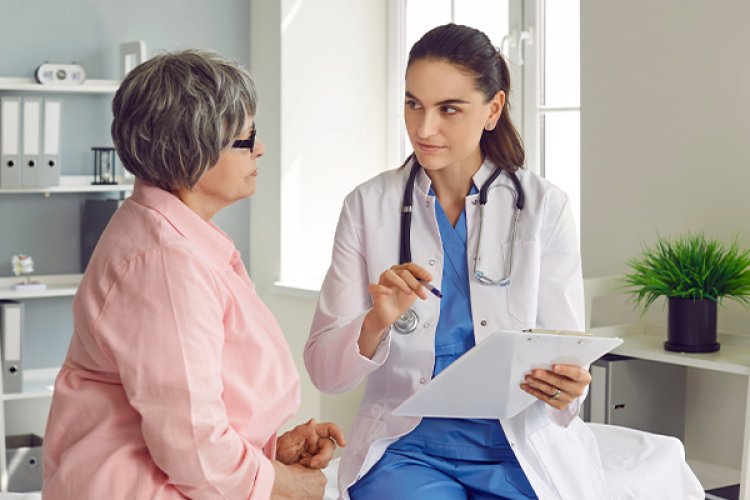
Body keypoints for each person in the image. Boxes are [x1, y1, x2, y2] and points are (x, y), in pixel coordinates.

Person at [304, 24, 608, 499]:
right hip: (405, 446)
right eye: (413, 105)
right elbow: (326, 371)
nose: (424, 129)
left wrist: (569, 386)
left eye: (449, 109)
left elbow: (564, 353)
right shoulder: (368, 206)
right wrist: (376, 320)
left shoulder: (544, 207)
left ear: (493, 109)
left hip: (516, 446)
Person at [43, 50, 344, 500]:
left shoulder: (174, 236)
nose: (259, 149)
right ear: (194, 150)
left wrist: (267, 452)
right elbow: (193, 445)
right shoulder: (165, 263)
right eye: (245, 139)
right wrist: (282, 485)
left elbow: (184, 408)